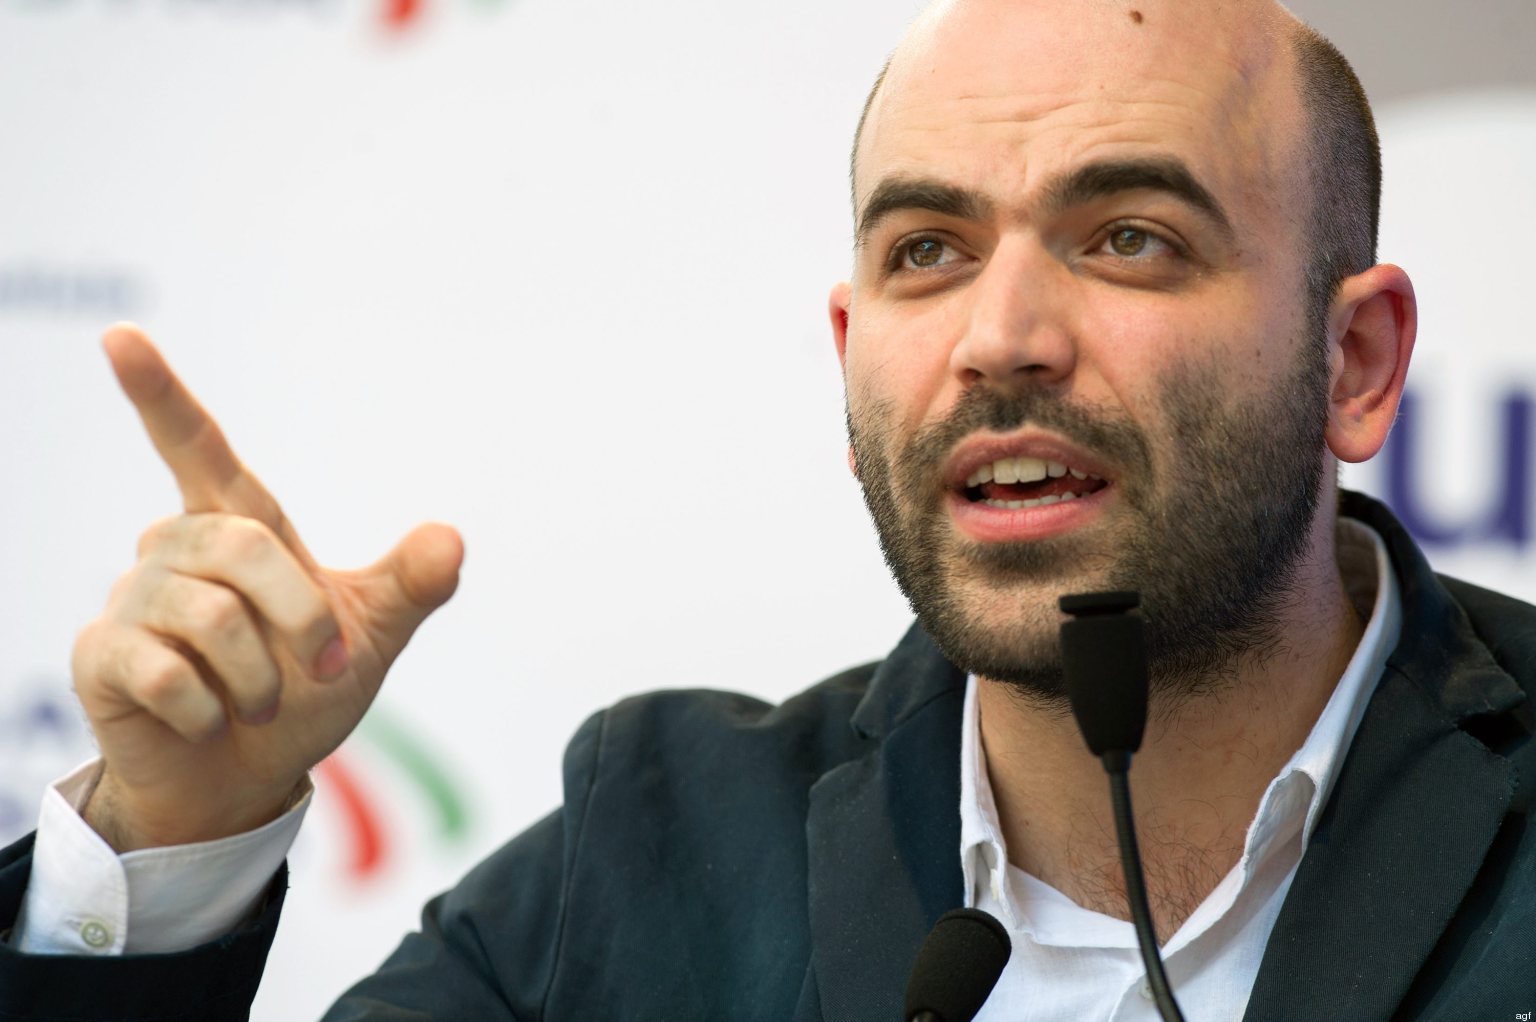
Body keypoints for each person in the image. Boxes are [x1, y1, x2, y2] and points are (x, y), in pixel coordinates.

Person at [2, 0, 1534, 1018]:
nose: (1001, 336)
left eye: (1128, 236)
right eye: (927, 250)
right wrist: (168, 847)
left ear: (1355, 360)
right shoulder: (657, 847)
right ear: (853, 354)